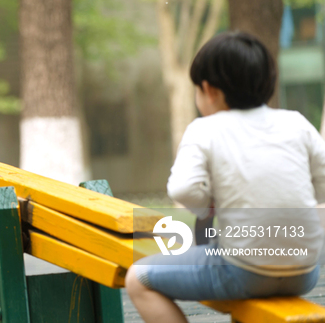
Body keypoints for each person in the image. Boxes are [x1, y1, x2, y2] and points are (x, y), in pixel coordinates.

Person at [126, 31, 325, 323]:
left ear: (209, 90)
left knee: (138, 278)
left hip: (242, 270)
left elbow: (181, 189)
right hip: (305, 271)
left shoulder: (206, 128)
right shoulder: (296, 122)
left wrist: (208, 204)